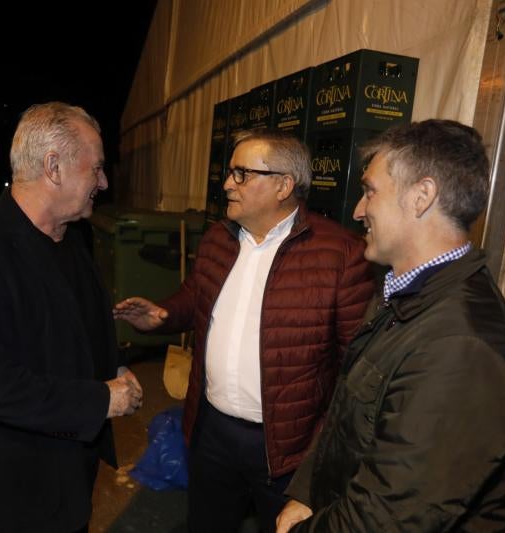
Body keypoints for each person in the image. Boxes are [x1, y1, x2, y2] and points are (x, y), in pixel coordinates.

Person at [276, 119, 505, 533]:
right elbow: (348, 415)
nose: (358, 210)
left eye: (370, 190)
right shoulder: (401, 292)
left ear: (421, 196)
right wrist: (307, 494)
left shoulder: (462, 346)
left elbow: (386, 521)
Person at [114, 128, 374, 532]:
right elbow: (196, 295)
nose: (226, 184)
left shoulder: (341, 254)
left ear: (283, 186)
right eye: (230, 172)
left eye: (241, 174)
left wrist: (318, 452)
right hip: (210, 430)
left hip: (287, 447)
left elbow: (354, 367)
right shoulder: (219, 237)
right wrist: (163, 314)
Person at [0, 102, 143, 533]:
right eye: (97, 168)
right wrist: (102, 399)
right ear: (54, 167)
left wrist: (114, 369)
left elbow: (76, 327)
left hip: (70, 472)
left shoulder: (70, 237)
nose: (103, 182)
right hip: (17, 486)